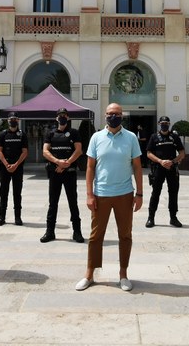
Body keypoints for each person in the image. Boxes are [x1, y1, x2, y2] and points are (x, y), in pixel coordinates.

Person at [75, 102, 143, 292]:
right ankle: (89, 274)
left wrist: (139, 193)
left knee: (125, 235)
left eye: (118, 113)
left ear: (122, 116)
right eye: (111, 113)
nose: (114, 116)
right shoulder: (96, 138)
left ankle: (123, 274)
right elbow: (89, 167)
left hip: (124, 194)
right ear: (105, 115)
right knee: (96, 236)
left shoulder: (130, 138)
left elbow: (137, 167)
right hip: (101, 194)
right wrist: (89, 194)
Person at [40, 107, 84, 243]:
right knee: (53, 203)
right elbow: (45, 151)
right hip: (55, 173)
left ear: (68, 118)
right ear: (56, 118)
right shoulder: (50, 133)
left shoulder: (74, 133)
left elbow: (78, 150)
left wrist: (67, 163)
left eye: (64, 115)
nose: (62, 117)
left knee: (73, 202)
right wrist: (58, 162)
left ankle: (77, 232)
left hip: (69, 173)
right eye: (60, 115)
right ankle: (50, 232)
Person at [145, 115, 185, 228]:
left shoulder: (174, 137)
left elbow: (182, 153)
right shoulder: (154, 137)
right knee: (155, 193)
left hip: (172, 168)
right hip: (158, 168)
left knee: (173, 193)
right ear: (159, 124)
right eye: (162, 123)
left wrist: (173, 161)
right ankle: (151, 217)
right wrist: (160, 161)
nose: (164, 125)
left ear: (169, 124)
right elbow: (148, 153)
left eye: (166, 123)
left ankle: (173, 217)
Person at [0, 115, 29, 226]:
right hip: (5, 167)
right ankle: (1, 217)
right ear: (7, 121)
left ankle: (18, 217)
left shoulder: (22, 135)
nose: (13, 121)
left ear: (18, 121)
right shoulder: (3, 134)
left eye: (15, 119)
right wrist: (6, 164)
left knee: (17, 192)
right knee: (3, 192)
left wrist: (16, 164)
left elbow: (25, 152)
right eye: (10, 119)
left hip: (17, 167)